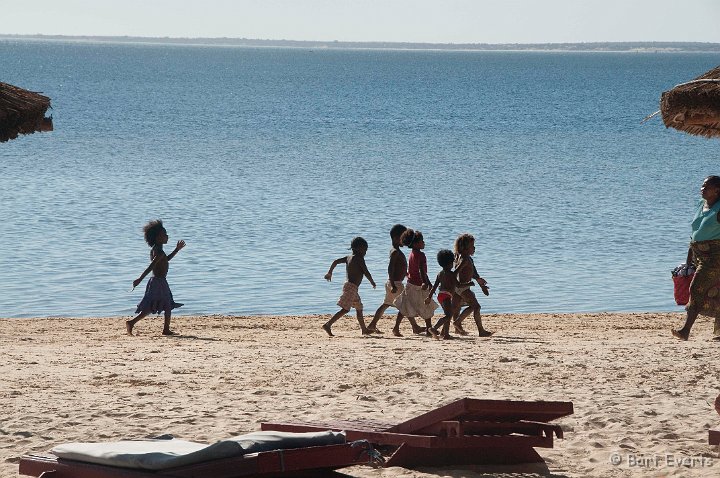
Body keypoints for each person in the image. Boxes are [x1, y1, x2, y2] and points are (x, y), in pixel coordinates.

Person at [672, 176, 720, 341]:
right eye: (702, 186)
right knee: (715, 294)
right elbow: (695, 233)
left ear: (717, 190)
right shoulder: (702, 205)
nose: (702, 189)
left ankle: (685, 330)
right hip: (699, 255)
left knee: (696, 288)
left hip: (715, 257)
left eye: (706, 187)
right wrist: (689, 261)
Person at [127, 220, 186, 336]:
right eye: (164, 234)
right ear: (158, 237)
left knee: (154, 306)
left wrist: (176, 250)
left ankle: (132, 323)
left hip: (159, 281)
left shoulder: (158, 250)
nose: (167, 236)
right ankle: (165, 329)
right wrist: (140, 278)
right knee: (167, 304)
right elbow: (151, 267)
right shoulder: (158, 251)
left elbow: (165, 260)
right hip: (158, 282)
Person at [323, 237, 377, 337]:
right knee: (345, 309)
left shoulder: (348, 257)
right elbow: (366, 272)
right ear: (357, 248)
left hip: (351, 287)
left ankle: (364, 329)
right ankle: (328, 324)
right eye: (364, 249)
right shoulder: (359, 258)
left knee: (359, 307)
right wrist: (372, 281)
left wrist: (330, 272)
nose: (365, 252)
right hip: (351, 287)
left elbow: (335, 261)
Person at [367, 224, 415, 334]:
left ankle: (372, 324)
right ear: (395, 238)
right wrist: (393, 284)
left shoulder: (397, 251)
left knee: (387, 304)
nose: (405, 241)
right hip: (395, 284)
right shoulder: (395, 252)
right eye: (403, 238)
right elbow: (390, 268)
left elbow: (399, 267)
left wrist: (406, 274)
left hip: (394, 282)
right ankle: (406, 327)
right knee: (404, 305)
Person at [392, 229, 437, 336]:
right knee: (427, 306)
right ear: (416, 244)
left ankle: (396, 328)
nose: (424, 242)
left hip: (410, 284)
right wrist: (426, 283)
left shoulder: (412, 253)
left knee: (404, 307)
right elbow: (422, 271)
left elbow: (416, 270)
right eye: (422, 241)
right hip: (418, 286)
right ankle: (429, 329)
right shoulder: (421, 255)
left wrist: (428, 282)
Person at [453, 233, 493, 337]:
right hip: (463, 288)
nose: (474, 248)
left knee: (459, 308)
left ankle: (457, 327)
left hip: (460, 288)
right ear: (465, 248)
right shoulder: (464, 259)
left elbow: (474, 274)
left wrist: (482, 286)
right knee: (476, 307)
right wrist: (459, 284)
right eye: (472, 246)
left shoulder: (467, 258)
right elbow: (455, 273)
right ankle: (480, 330)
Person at [425, 249, 459, 339]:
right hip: (447, 295)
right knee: (448, 315)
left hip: (441, 295)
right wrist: (469, 283)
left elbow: (434, 287)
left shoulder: (439, 274)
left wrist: (429, 297)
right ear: (450, 263)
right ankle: (434, 328)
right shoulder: (451, 274)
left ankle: (446, 334)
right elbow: (458, 285)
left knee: (448, 314)